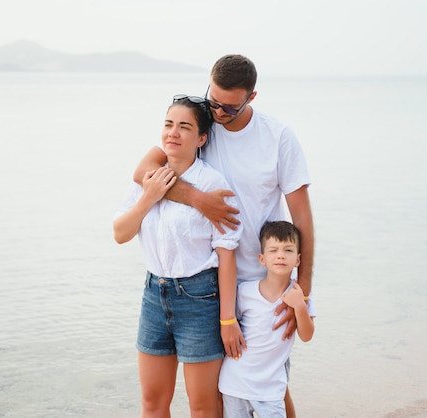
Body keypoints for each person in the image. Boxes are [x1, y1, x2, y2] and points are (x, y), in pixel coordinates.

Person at [133, 54, 315, 417]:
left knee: (269, 383)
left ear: (252, 97)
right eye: (212, 100)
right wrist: (199, 199)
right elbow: (144, 171)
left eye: (228, 107)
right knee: (223, 388)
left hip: (262, 279)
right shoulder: (203, 126)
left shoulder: (277, 137)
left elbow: (302, 218)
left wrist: (303, 288)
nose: (217, 111)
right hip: (205, 282)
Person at [113, 94, 244, 418]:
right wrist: (150, 196)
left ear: (201, 138)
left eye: (184, 127)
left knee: (203, 407)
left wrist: (227, 319)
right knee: (152, 404)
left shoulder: (212, 184)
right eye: (169, 124)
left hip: (200, 299)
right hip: (154, 296)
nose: (173, 132)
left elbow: (227, 256)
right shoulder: (150, 177)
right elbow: (120, 233)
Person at [219, 221, 314, 418]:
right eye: (273, 250)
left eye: (288, 250)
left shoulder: (298, 294)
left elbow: (306, 335)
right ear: (262, 258)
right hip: (235, 383)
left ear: (298, 260)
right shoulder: (245, 291)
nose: (280, 255)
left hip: (271, 389)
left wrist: (300, 306)